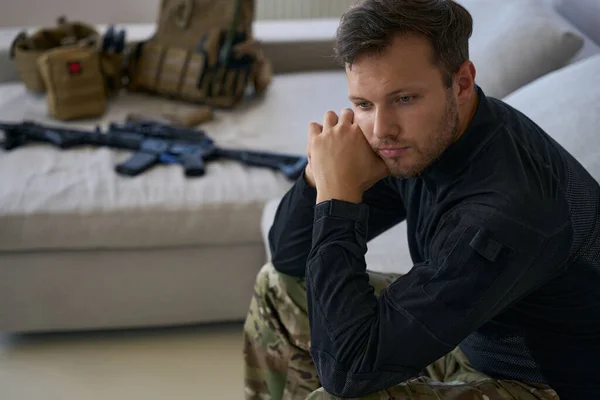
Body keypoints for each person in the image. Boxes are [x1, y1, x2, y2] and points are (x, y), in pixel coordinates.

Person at [242, 0, 600, 399]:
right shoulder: (425, 140)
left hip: (549, 386)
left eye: (404, 99)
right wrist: (319, 177)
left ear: (461, 83)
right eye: (363, 104)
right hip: (467, 342)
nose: (381, 130)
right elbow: (289, 256)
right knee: (280, 287)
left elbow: (347, 372)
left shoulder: (503, 212)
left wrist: (339, 198)